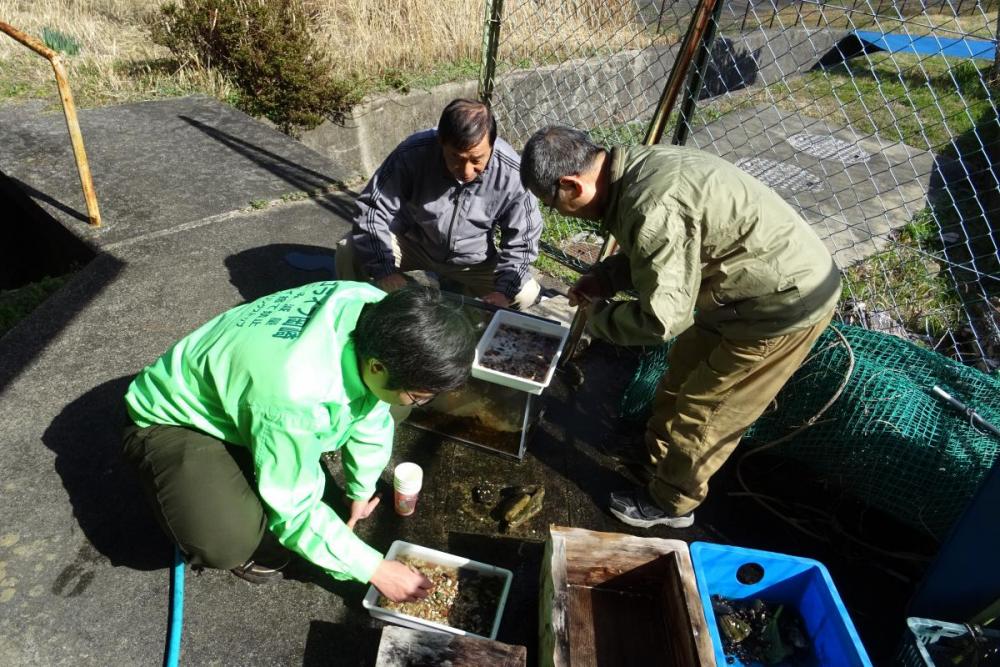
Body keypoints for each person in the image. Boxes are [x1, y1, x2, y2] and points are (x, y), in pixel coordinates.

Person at [520, 126, 842, 529]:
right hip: (730, 290)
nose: (556, 211)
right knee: (679, 377)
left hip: (780, 304)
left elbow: (661, 320)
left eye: (551, 202)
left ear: (571, 184)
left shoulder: (651, 202)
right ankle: (653, 456)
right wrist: (606, 278)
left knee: (706, 409)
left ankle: (673, 503)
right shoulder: (629, 171)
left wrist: (599, 318)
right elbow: (660, 255)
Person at [121, 282, 475, 601]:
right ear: (378, 367)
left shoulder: (375, 306)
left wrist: (360, 487)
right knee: (227, 540)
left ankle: (250, 456)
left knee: (394, 406)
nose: (423, 401)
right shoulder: (294, 397)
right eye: (420, 395)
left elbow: (372, 411)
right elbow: (295, 508)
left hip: (249, 394)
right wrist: (375, 569)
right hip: (174, 418)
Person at [335, 98, 543, 310]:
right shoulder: (413, 152)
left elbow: (522, 241)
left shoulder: (513, 173)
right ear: (441, 141)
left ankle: (470, 309)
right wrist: (385, 271)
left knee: (524, 293)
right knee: (349, 250)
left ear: (492, 144)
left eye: (476, 160)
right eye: (456, 157)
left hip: (472, 260)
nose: (466, 170)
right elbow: (373, 208)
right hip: (414, 243)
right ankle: (356, 311)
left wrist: (503, 291)